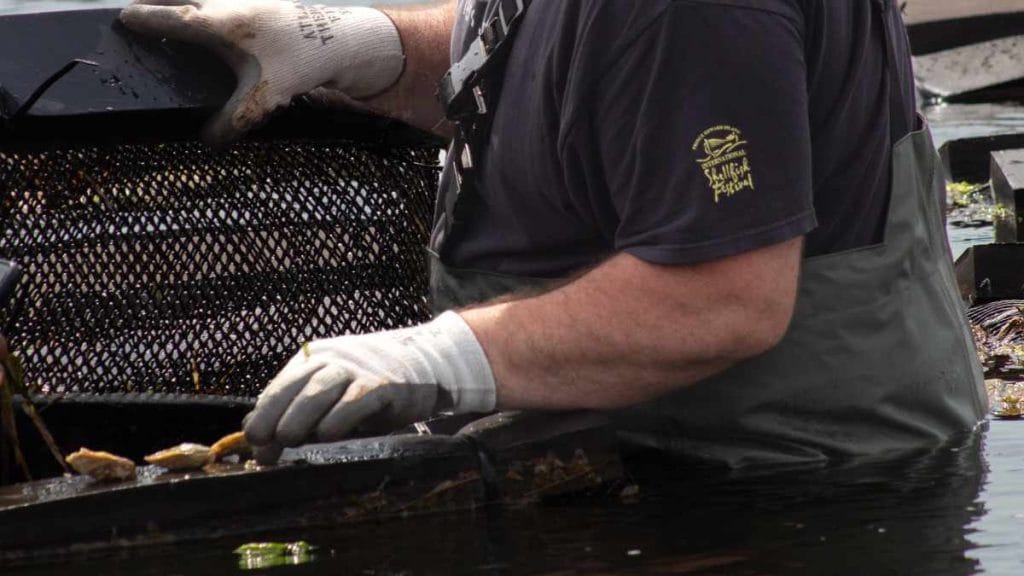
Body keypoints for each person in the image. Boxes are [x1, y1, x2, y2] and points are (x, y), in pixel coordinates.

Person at [119, 0, 988, 467]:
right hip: (624, 446)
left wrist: (435, 360)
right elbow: (559, 60)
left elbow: (724, 302)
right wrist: (365, 46)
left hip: (781, 486)